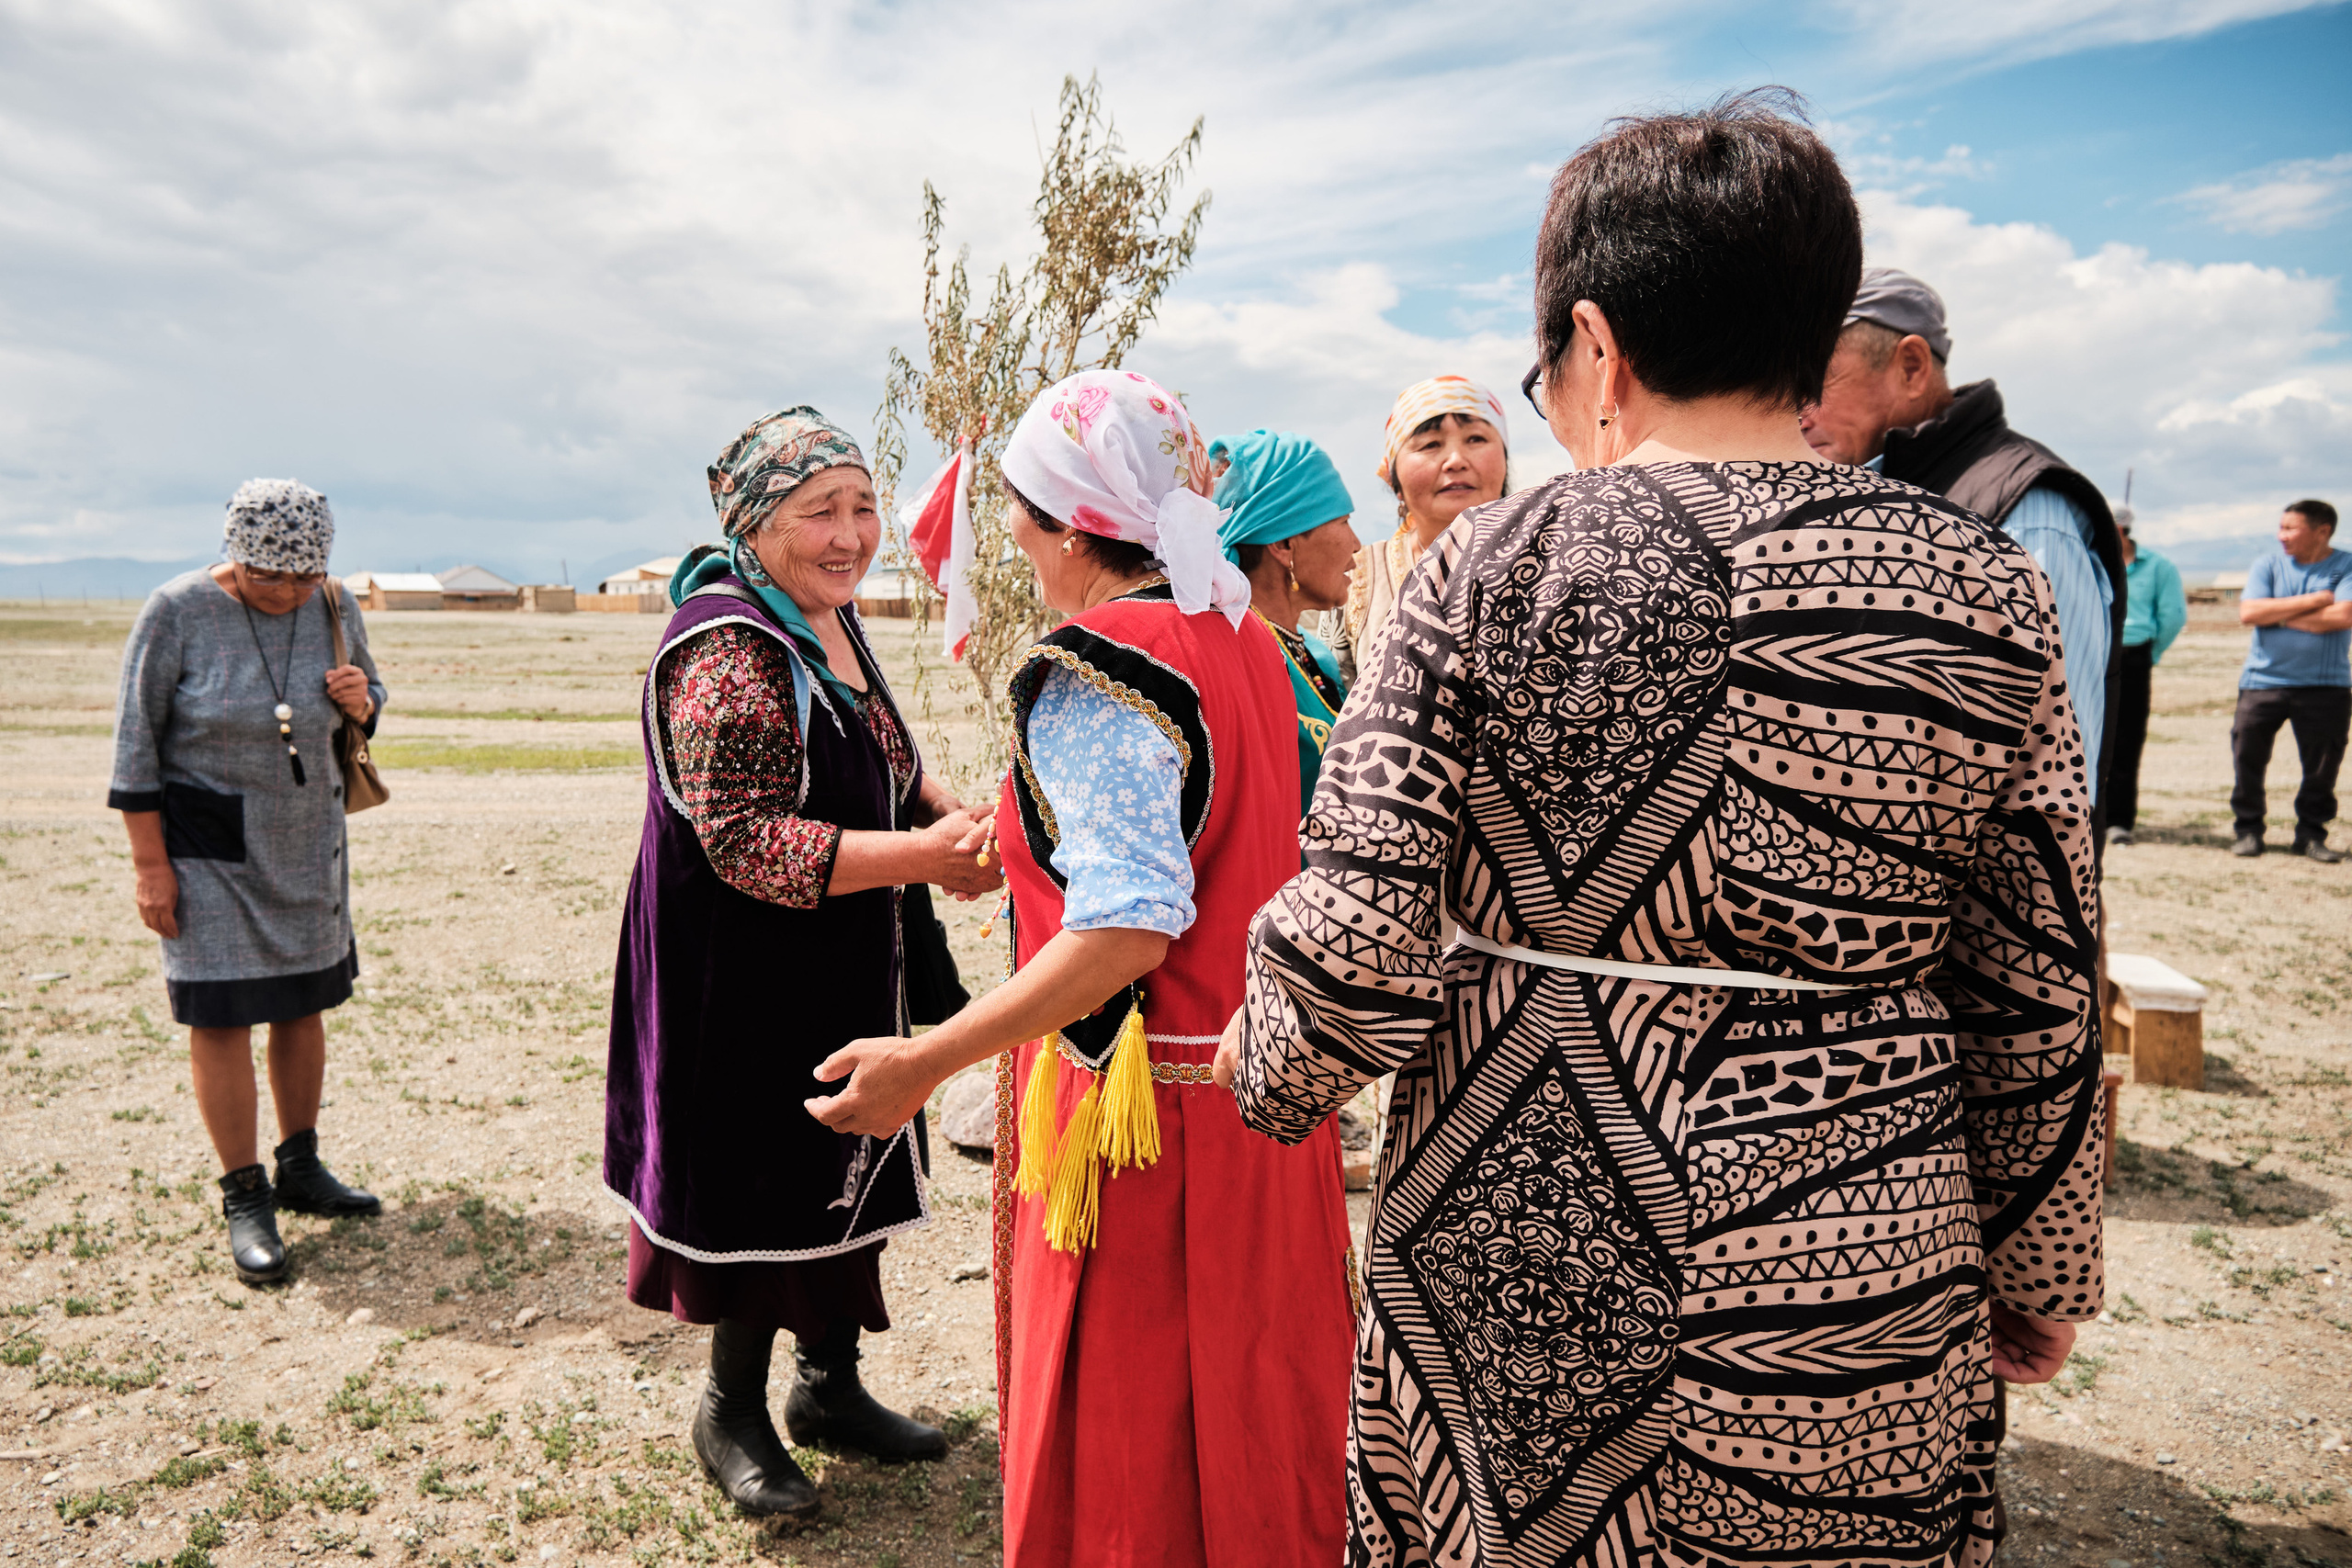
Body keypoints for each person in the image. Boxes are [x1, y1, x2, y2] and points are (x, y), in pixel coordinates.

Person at [1222, 92, 2103, 1568]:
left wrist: (1270, 1072)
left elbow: (1359, 940)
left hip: (1523, 1222)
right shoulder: (1979, 582)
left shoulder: (1480, 568)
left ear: (1598, 343)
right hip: (1857, 1237)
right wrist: (2038, 1257)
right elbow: (2037, 969)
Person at [805, 370, 1354, 1567]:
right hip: (1265, 1110)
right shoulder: (1246, 640)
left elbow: (1126, 929)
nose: (1006, 533)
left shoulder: (1098, 665)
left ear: (1062, 524)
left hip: (1143, 1132)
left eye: (1015, 510)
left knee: (1134, 1446)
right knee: (1261, 1425)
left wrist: (927, 1058)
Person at [603, 407, 1003, 1520]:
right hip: (744, 967)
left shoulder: (821, 617)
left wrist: (942, 817)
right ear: (754, 522)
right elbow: (746, 840)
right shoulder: (730, 648)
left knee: (853, 1144)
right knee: (769, 1175)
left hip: (834, 945)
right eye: (816, 512)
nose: (849, 534)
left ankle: (829, 1389)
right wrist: (923, 857)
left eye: (863, 506)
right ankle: (731, 1413)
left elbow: (881, 754)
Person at [109, 479, 388, 1284]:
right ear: (236, 557)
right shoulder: (175, 611)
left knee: (303, 1002)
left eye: (305, 579)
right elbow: (135, 744)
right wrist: (149, 866)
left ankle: (300, 1165)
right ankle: (245, 1193)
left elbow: (368, 700)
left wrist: (361, 699)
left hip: (307, 840)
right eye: (272, 579)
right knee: (222, 1013)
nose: (290, 594)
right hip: (204, 844)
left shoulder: (331, 602)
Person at [1800, 267, 2126, 818]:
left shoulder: (2024, 511)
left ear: (1910, 367)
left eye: (1814, 379)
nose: (1796, 409)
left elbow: (2057, 783)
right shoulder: (1853, 493)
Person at [1210, 428, 1359, 815]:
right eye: (1342, 521)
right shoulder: (1233, 655)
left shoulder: (1317, 655)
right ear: (1283, 545)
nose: (1356, 543)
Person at [1329, 376, 1509, 685]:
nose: (1455, 460)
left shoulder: (1552, 558)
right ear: (1393, 478)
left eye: (1475, 439)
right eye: (1430, 445)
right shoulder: (1355, 576)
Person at [2229, 498, 2352, 861]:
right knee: (2247, 758)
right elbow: (2250, 611)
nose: (2280, 535)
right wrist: (2316, 599)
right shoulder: (2267, 564)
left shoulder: (2346, 565)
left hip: (2326, 685)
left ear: (2322, 531)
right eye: (2280, 527)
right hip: (2261, 681)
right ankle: (2249, 831)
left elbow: (2343, 616)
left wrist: (2278, 613)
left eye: (2290, 528)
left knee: (2321, 767)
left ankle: (2311, 835)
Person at [2108, 506, 2187, 846]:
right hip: (2093, 656)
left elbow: (2172, 617)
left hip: (2133, 659)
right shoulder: (2091, 561)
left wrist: (2148, 656)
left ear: (2122, 530)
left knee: (2126, 741)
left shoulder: (2159, 567)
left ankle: (2119, 822)